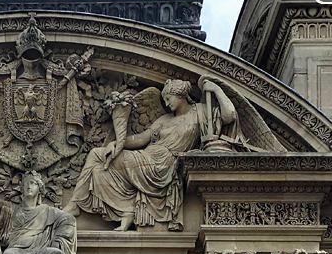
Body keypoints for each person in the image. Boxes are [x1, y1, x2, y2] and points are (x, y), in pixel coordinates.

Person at [65, 79, 235, 231]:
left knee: (98, 157)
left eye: (168, 99)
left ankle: (77, 204)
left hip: (163, 164)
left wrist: (215, 89)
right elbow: (141, 139)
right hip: (148, 157)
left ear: (180, 94)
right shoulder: (164, 120)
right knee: (99, 164)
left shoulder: (201, 112)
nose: (166, 104)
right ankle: (123, 210)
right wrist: (117, 143)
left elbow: (229, 116)